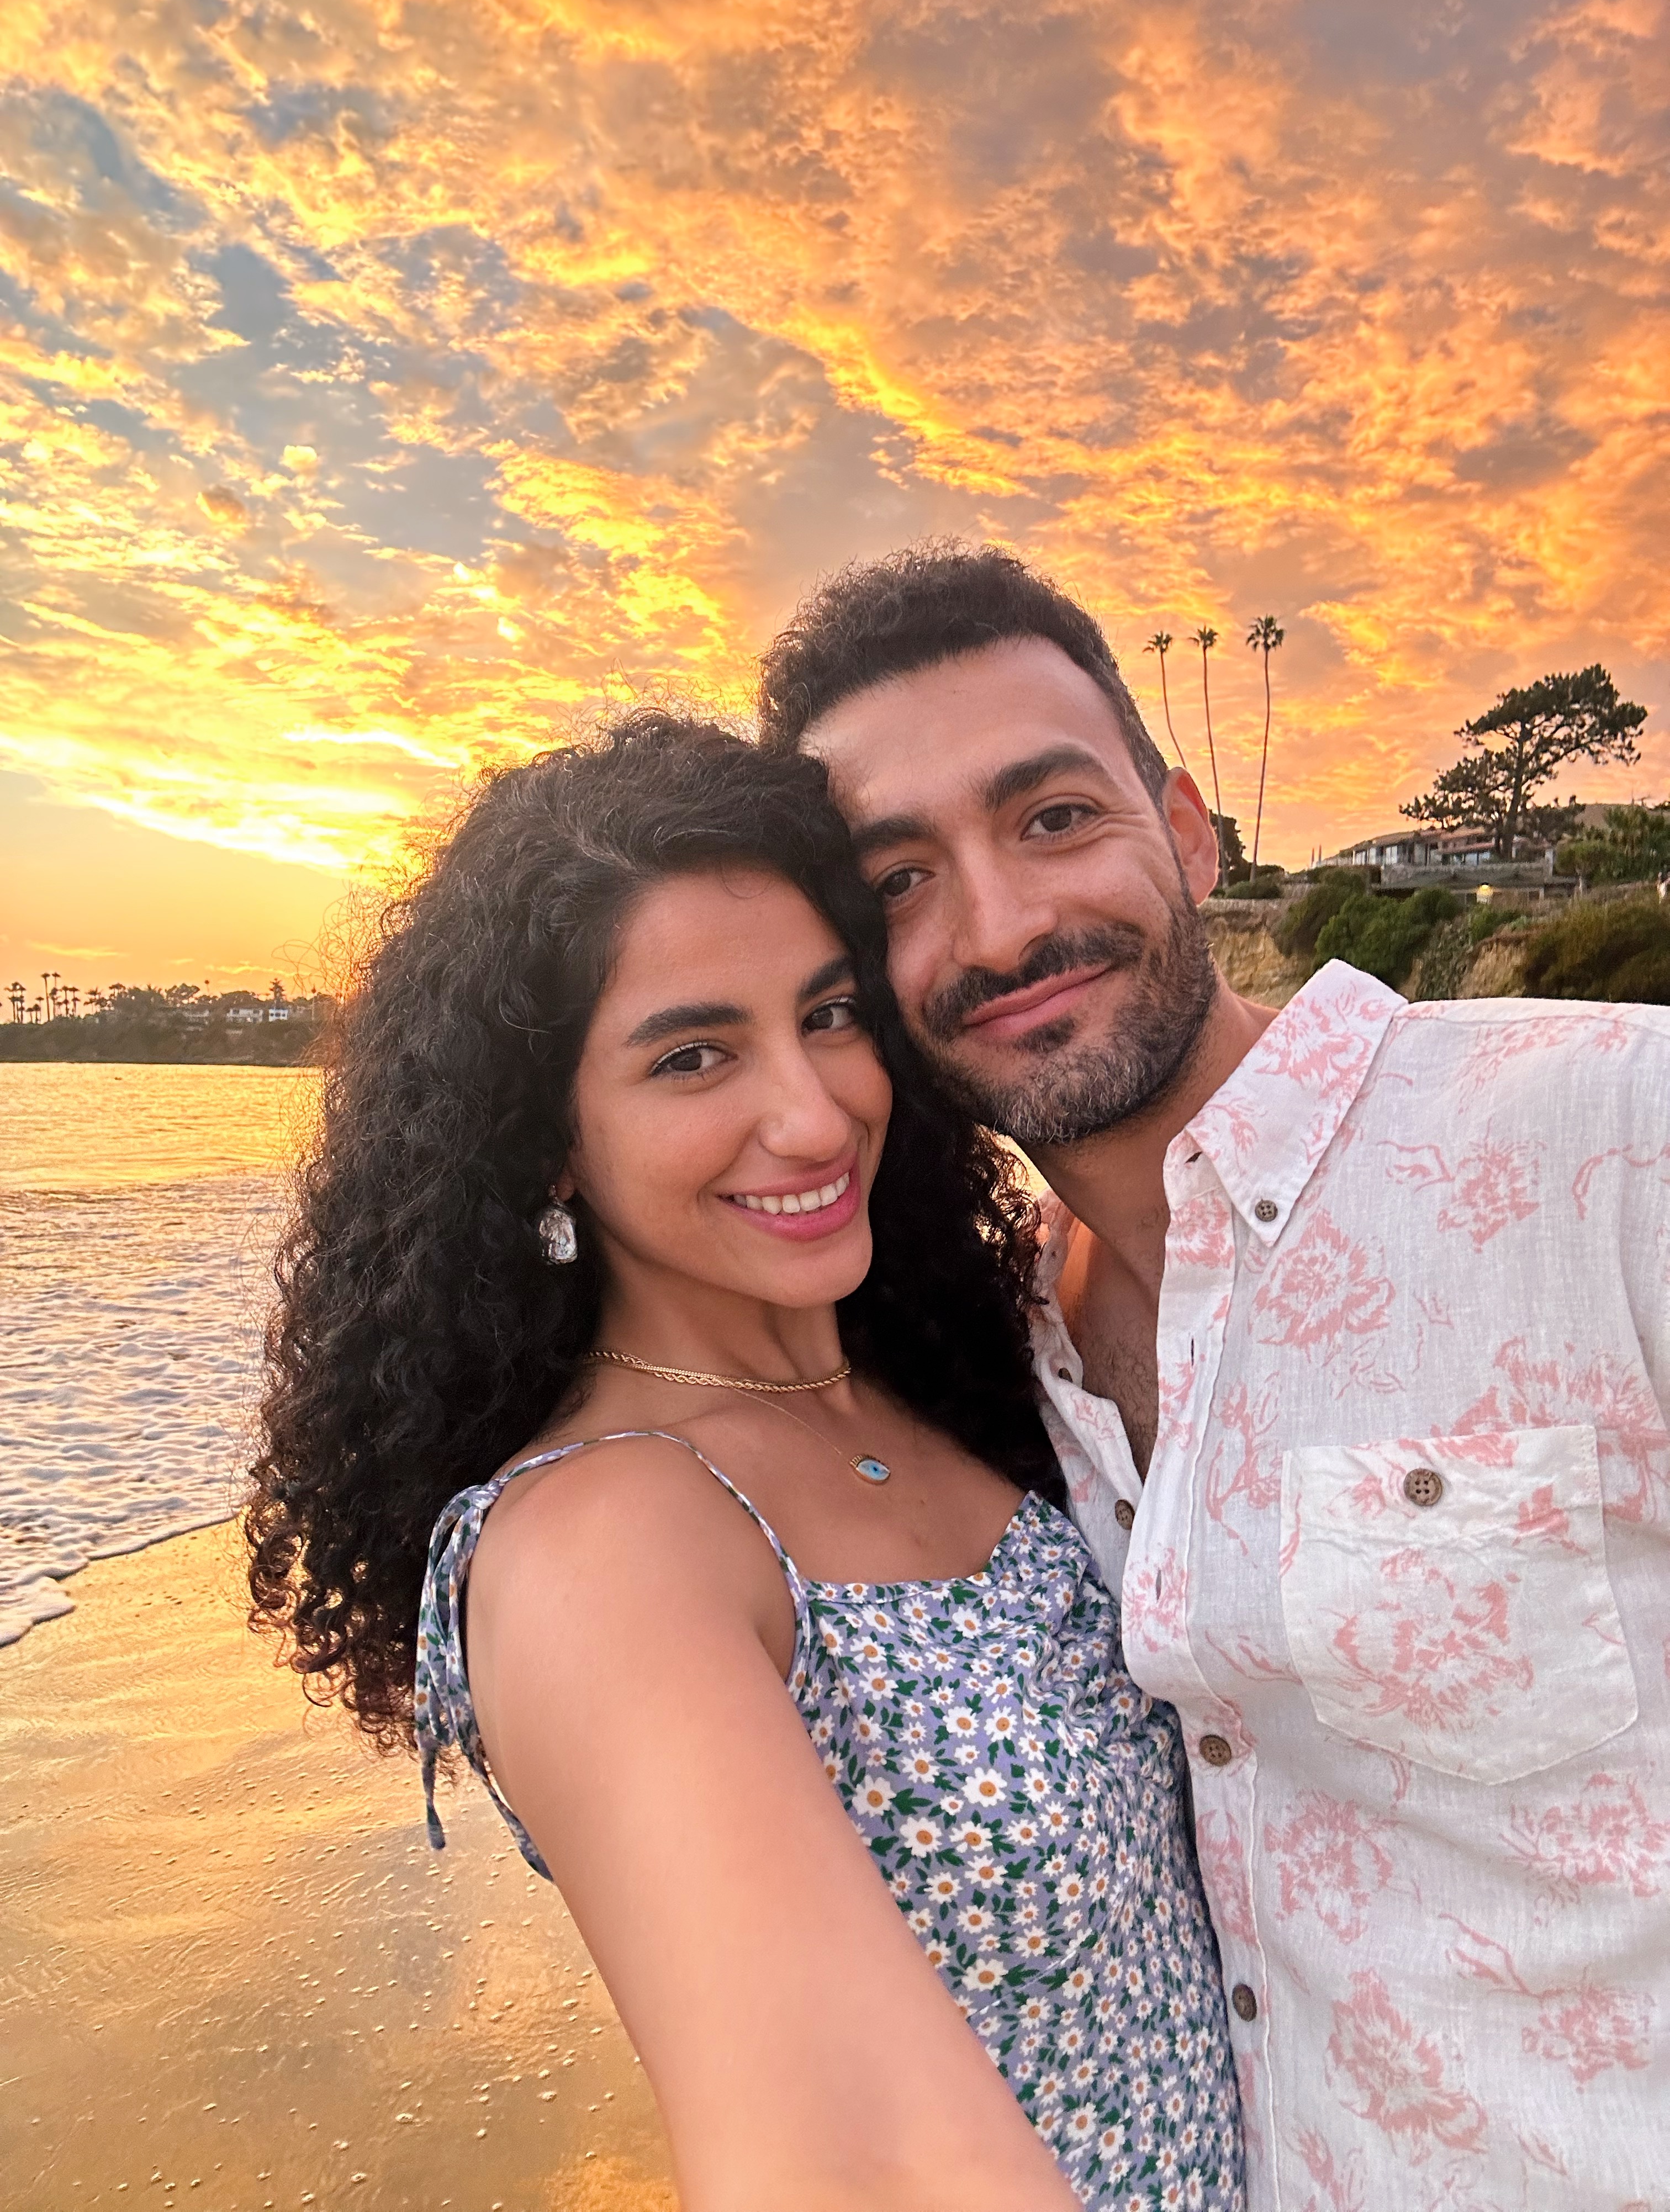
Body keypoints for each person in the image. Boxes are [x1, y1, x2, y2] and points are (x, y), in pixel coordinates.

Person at [759, 543, 1670, 2208]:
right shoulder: (1006, 1338)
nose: (1001, 925)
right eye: (897, 882)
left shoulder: (1612, 1134)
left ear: (1190, 836)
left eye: (1054, 817)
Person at [246, 712, 1245, 2212]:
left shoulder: (976, 1378)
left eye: (830, 1015)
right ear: (545, 1142)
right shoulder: (604, 1543)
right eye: (694, 1055)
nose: (815, 1111)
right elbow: (853, 2165)